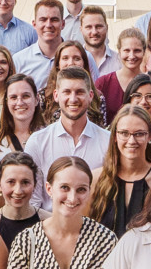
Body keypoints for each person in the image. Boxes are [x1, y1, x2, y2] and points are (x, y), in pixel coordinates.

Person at [24, 68, 111, 207]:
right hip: (48, 223)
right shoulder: (38, 142)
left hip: (96, 225)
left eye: (80, 92)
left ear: (90, 96)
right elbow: (33, 201)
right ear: (56, 95)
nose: (73, 99)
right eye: (67, 92)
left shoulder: (108, 141)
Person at [90, 104, 151, 236]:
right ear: (115, 136)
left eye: (139, 134)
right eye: (124, 133)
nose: (131, 140)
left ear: (150, 136)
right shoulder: (96, 179)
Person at [0, 73, 45, 169]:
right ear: (6, 102)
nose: (19, 103)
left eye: (26, 96)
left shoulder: (48, 134)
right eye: (13, 97)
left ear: (36, 99)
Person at [11, 0, 66, 89]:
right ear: (34, 24)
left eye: (54, 20)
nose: (48, 25)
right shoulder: (19, 60)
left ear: (63, 24)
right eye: (43, 20)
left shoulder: (80, 57)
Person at [94, 28, 146, 118]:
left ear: (144, 52)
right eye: (127, 50)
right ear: (119, 52)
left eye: (137, 50)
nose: (132, 56)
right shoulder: (103, 83)